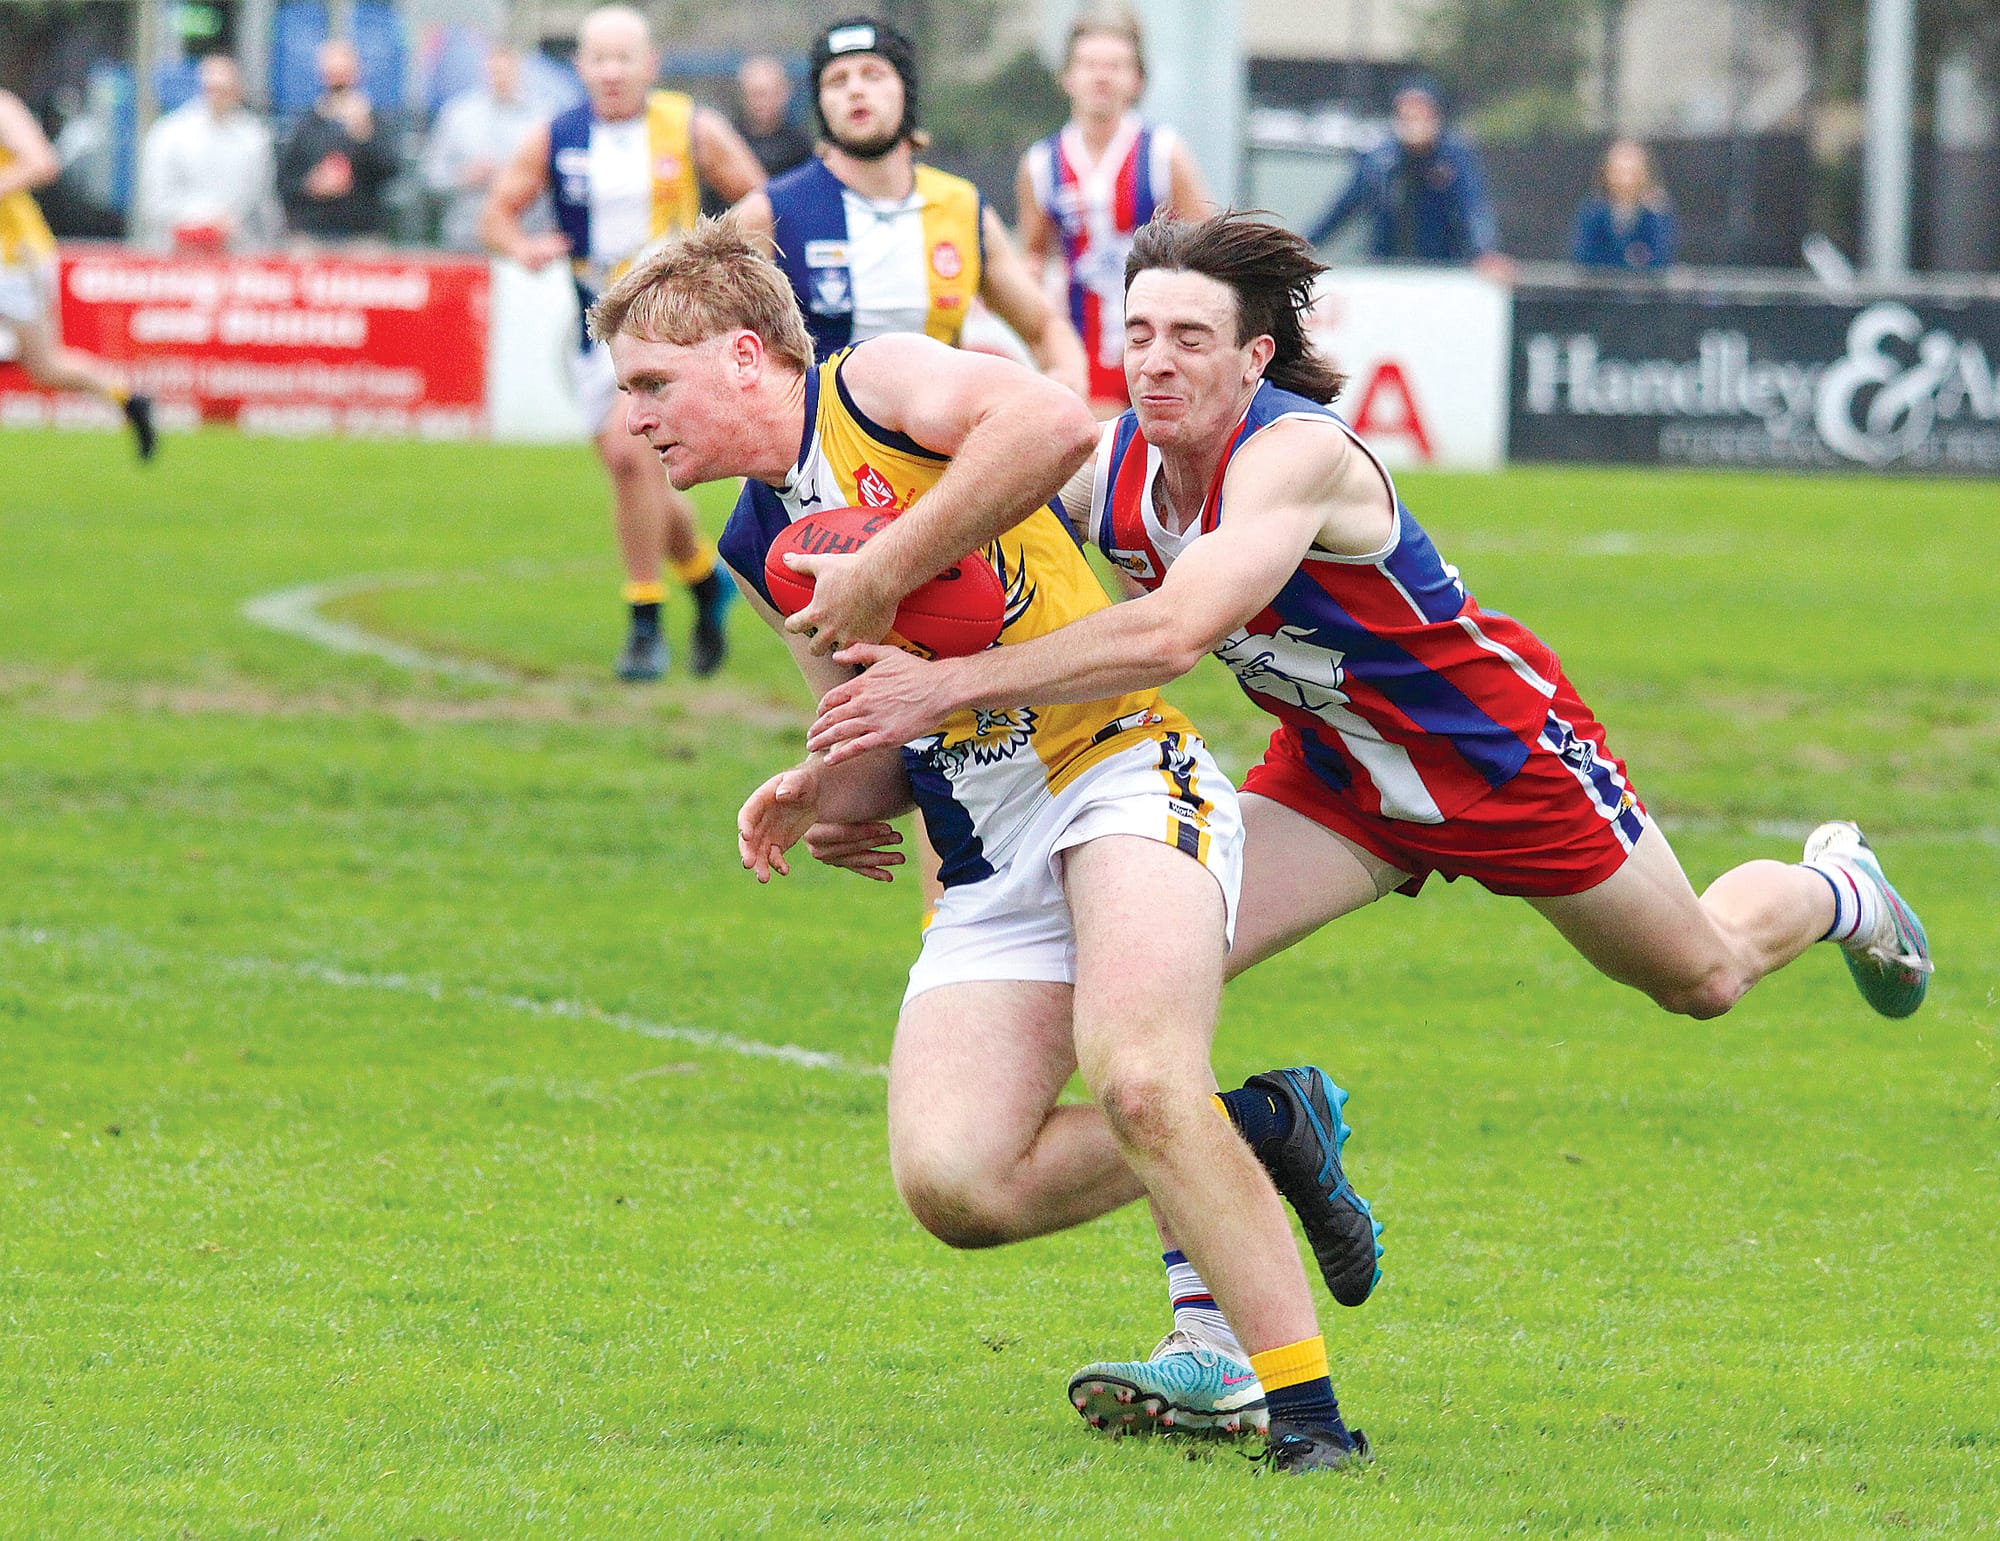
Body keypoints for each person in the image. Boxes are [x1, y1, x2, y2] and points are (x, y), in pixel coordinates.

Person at [800, 209, 1935, 1406]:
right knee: (1147, 992)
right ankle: (1214, 1342)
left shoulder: (1294, 454)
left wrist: (948, 683)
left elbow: (1175, 631)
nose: (1155, 360)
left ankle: (1841, 887)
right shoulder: (1112, 471)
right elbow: (994, 560)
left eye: (1190, 335)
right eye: (1137, 333)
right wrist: (863, 745)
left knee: (1698, 974)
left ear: (1252, 356)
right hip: (1333, 778)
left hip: (1492, 762)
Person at [591, 217, 1379, 1472]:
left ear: (744, 356)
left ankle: (1307, 1420)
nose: (631, 419)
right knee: (956, 1185)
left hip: (1120, 774)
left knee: (1136, 1079)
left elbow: (1055, 424)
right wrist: (819, 791)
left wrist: (888, 561)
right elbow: (878, 723)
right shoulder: (757, 536)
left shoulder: (876, 386)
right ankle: (1269, 1127)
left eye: (648, 383)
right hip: (983, 849)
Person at [482, 5, 766, 682]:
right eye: (598, 59)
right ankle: (702, 577)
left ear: (650, 65)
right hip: (594, 333)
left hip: (674, 326)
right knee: (633, 471)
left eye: (624, 58)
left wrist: (719, 265)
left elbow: (762, 199)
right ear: (580, 68)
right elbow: (497, 211)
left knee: (627, 454)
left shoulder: (691, 127)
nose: (611, 71)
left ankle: (644, 620)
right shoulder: (557, 136)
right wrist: (522, 247)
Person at [732, 17, 1087, 398]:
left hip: (941, 448)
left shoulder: (962, 208)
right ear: (820, 104)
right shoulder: (770, 211)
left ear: (906, 92)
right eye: (837, 80)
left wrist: (1067, 379)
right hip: (819, 446)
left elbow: (1044, 327)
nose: (855, 90)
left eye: (873, 74)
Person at [1017, 9, 1210, 416]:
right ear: (1067, 77)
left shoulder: (1162, 153)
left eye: (1115, 66)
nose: (1101, 77)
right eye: (1089, 65)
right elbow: (1033, 255)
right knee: (1092, 459)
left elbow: (1208, 245)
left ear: (1136, 80)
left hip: (1158, 341)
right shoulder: (1040, 163)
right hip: (1079, 341)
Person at [0, 88, 155, 459]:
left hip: (14, 256)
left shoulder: (2, 107)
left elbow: (41, 162)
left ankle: (129, 399)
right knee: (45, 366)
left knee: (46, 366)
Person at [1304, 79, 1511, 281]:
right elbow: (1342, 209)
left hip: (1440, 271)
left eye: (1421, 113)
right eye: (1407, 114)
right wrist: (1303, 247)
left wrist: (1485, 252)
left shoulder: (1453, 157)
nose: (1414, 121)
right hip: (1388, 270)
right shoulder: (1381, 160)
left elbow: (1473, 208)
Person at [134, 54, 281, 253]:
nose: (218, 96)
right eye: (212, 88)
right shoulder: (169, 133)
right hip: (176, 253)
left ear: (238, 90)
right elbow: (154, 200)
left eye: (225, 89)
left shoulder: (253, 136)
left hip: (237, 251)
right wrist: (203, 222)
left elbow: (262, 200)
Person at [422, 44, 553, 255]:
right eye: (493, 69)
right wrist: (463, 176)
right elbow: (430, 176)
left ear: (519, 67)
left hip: (525, 240)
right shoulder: (458, 115)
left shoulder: (543, 117)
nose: (499, 76)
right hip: (465, 237)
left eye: (505, 68)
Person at [278, 39, 397, 246]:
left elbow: (391, 173)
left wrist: (364, 135)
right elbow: (284, 181)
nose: (338, 80)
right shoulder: (307, 124)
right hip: (311, 232)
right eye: (332, 73)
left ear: (357, 72)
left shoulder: (374, 121)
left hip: (362, 233)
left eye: (343, 73)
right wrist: (311, 184)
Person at [1572, 138, 1675, 271]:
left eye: (1632, 171)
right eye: (1619, 171)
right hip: (1600, 289)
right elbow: (1584, 255)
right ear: (1607, 172)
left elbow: (1659, 258)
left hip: (1643, 289)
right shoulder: (1593, 212)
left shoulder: (1657, 212)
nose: (1625, 179)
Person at [732, 54, 813, 180]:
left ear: (785, 93)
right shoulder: (730, 140)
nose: (761, 102)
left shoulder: (800, 145)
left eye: (767, 94)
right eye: (755, 94)